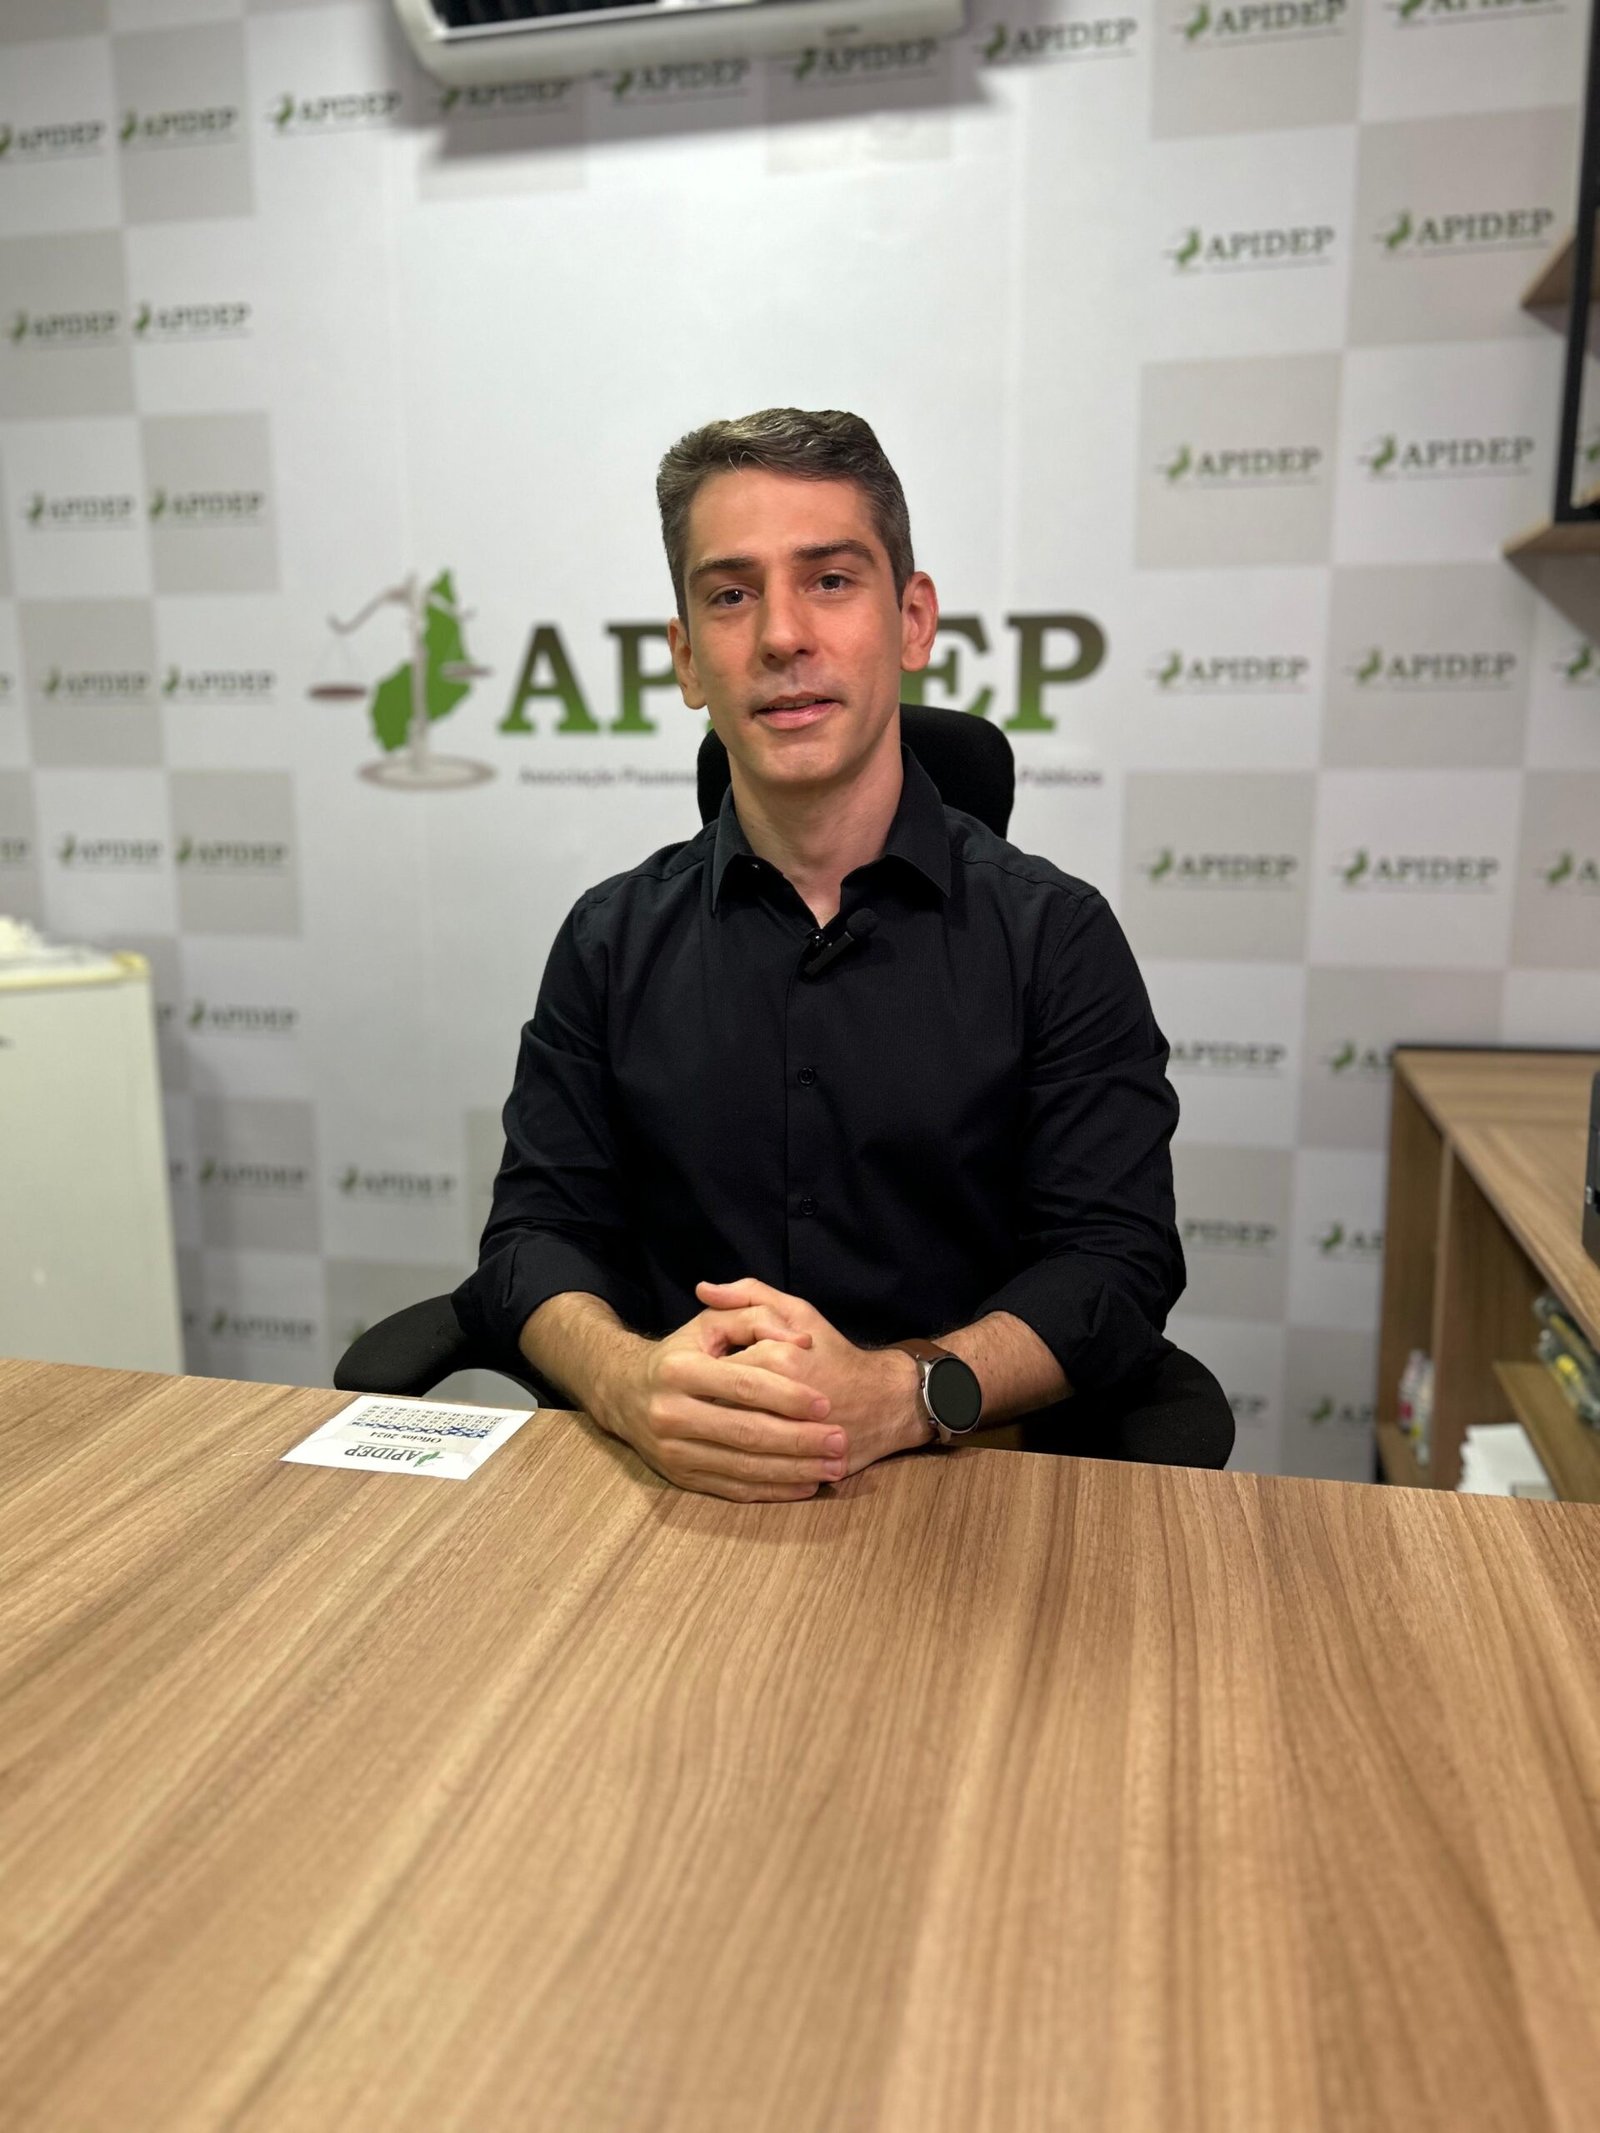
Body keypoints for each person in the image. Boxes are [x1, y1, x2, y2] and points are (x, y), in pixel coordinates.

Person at [455, 407, 1190, 1501]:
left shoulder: (1055, 937)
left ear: (912, 620)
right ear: (687, 659)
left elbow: (1115, 1265)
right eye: (731, 595)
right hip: (674, 1488)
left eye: (831, 581)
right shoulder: (608, 940)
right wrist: (624, 1380)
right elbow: (532, 1240)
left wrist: (901, 1393)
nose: (782, 636)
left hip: (959, 1487)